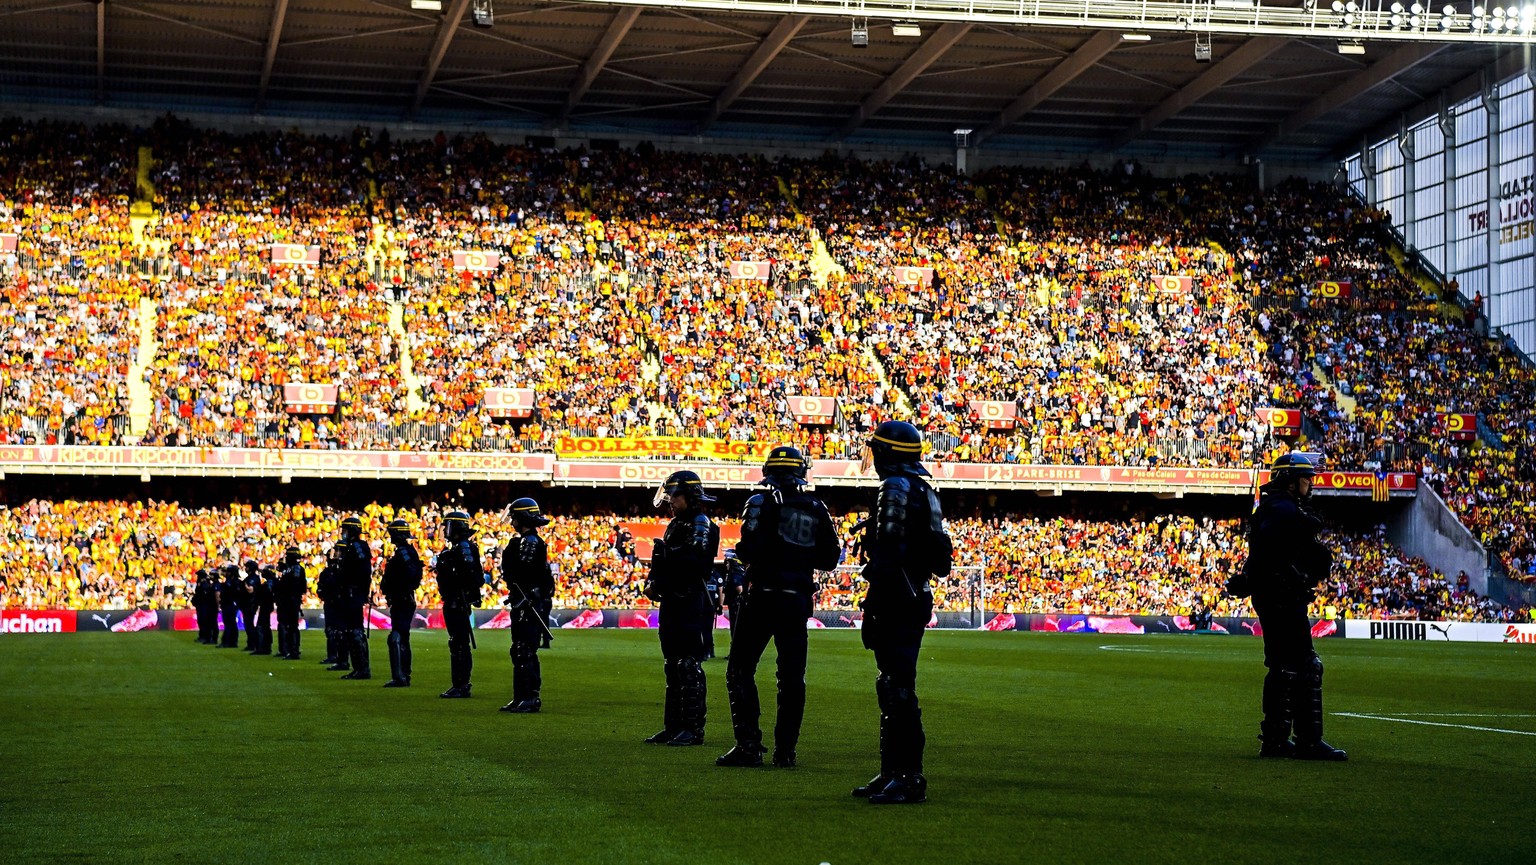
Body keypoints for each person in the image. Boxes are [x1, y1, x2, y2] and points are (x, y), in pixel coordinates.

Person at [718, 446, 840, 769]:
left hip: (762, 597)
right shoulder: (817, 507)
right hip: (797, 599)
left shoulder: (761, 501)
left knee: (740, 669)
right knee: (791, 677)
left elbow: (749, 548)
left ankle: (749, 745)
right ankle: (786, 752)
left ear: (768, 471)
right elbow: (830, 558)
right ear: (801, 472)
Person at [851, 421, 951, 805]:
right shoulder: (925, 490)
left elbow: (890, 548)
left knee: (896, 686)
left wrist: (877, 596)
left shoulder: (893, 487)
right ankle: (893, 772)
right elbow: (940, 557)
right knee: (893, 683)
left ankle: (907, 776)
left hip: (897, 594)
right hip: (915, 591)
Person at [1227, 453, 1347, 761]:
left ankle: (1276, 739)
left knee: (1281, 666)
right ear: (1291, 481)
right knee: (1308, 665)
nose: (1311, 484)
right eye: (1307, 479)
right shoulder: (1284, 510)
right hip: (1283, 595)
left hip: (1272, 594)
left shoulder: (1270, 508)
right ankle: (1308, 740)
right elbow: (1278, 554)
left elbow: (1264, 555)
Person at [643, 470, 720, 747]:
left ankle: (692, 728)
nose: (670, 502)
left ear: (689, 496)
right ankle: (673, 726)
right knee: (672, 666)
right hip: (673, 600)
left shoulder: (700, 523)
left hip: (689, 600)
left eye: (675, 496)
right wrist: (656, 579)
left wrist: (662, 573)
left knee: (688, 665)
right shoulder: (678, 523)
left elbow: (694, 564)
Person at [500, 498, 554, 713]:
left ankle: (530, 697)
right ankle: (520, 696)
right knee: (519, 649)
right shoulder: (525, 540)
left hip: (528, 602)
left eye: (514, 516)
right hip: (523, 600)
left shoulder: (529, 542)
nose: (511, 520)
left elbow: (521, 572)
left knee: (525, 650)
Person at [437, 510, 483, 698]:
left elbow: (472, 576)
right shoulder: (457, 548)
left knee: (459, 643)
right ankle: (459, 683)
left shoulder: (462, 548)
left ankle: (462, 684)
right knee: (457, 642)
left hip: (458, 601)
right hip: (454, 599)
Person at [380, 519, 423, 687]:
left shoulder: (404, 553)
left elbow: (411, 575)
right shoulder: (404, 551)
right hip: (402, 597)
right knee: (402, 637)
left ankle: (400, 676)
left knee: (397, 637)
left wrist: (396, 586)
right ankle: (403, 675)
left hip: (402, 598)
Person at [335, 516, 373, 680]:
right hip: (351, 593)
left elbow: (363, 572)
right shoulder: (354, 547)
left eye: (344, 530)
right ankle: (359, 667)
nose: (342, 533)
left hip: (353, 593)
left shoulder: (357, 547)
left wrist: (360, 591)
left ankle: (362, 668)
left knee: (355, 630)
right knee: (352, 631)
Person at [317, 546, 346, 669]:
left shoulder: (339, 571)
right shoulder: (327, 572)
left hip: (336, 603)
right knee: (331, 630)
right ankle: (334, 655)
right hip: (331, 603)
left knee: (337, 630)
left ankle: (338, 656)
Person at [275, 546, 306, 660]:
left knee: (291, 626)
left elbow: (295, 586)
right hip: (289, 600)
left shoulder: (295, 569)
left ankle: (293, 650)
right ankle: (290, 649)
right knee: (290, 626)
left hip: (290, 600)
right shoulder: (293, 569)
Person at [720, 549, 746, 656]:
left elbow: (740, 589)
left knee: (736, 629)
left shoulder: (735, 574)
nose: (726, 565)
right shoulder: (735, 573)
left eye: (728, 562)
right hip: (735, 605)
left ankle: (737, 652)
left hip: (737, 606)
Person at [250, 566, 276, 655]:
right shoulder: (273, 582)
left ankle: (262, 647)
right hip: (267, 606)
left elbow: (266, 594)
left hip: (265, 606)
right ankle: (266, 647)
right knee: (265, 626)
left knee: (261, 626)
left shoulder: (269, 584)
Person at [218, 564, 243, 648]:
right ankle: (232, 642)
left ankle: (227, 641)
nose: (226, 573)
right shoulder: (230, 581)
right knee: (230, 623)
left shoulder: (235, 582)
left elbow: (235, 593)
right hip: (228, 604)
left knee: (229, 623)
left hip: (230, 604)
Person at [191, 568, 218, 644]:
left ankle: (205, 636)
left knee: (204, 621)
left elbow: (204, 595)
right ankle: (202, 635)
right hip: (200, 605)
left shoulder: (205, 584)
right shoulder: (201, 584)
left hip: (204, 605)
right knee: (201, 621)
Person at [241, 560, 262, 652]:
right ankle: (251, 643)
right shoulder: (251, 577)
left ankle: (253, 644)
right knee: (248, 624)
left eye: (247, 567)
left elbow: (250, 590)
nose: (245, 568)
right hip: (247, 603)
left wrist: (243, 584)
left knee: (249, 625)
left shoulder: (253, 578)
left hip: (251, 604)